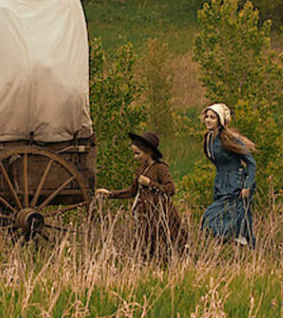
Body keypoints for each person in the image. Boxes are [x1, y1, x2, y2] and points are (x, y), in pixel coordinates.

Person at [95, 130, 187, 260]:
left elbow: (171, 188)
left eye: (137, 153)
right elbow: (131, 191)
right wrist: (110, 194)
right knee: (145, 247)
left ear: (148, 152)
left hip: (161, 213)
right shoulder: (140, 170)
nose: (135, 157)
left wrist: (150, 183)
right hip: (145, 215)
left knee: (167, 245)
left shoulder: (160, 168)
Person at [199, 103, 256, 246]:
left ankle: (240, 243)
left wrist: (247, 186)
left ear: (220, 121)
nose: (208, 120)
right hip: (220, 182)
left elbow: (251, 163)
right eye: (207, 117)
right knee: (215, 218)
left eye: (212, 117)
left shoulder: (229, 138)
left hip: (235, 183)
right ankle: (231, 247)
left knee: (213, 216)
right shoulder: (208, 139)